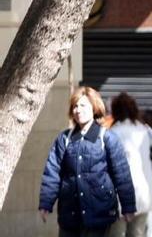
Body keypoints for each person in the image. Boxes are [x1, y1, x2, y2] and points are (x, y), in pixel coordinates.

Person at [39, 87, 137, 237]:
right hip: (69, 215)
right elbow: (52, 172)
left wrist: (128, 206)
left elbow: (122, 174)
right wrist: (46, 203)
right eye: (75, 106)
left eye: (83, 105)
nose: (78, 110)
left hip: (99, 213)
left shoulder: (107, 137)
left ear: (94, 108)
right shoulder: (64, 139)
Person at [109, 93, 152, 237]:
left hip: (120, 196)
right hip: (144, 194)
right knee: (137, 234)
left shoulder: (113, 133)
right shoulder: (145, 130)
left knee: (116, 233)